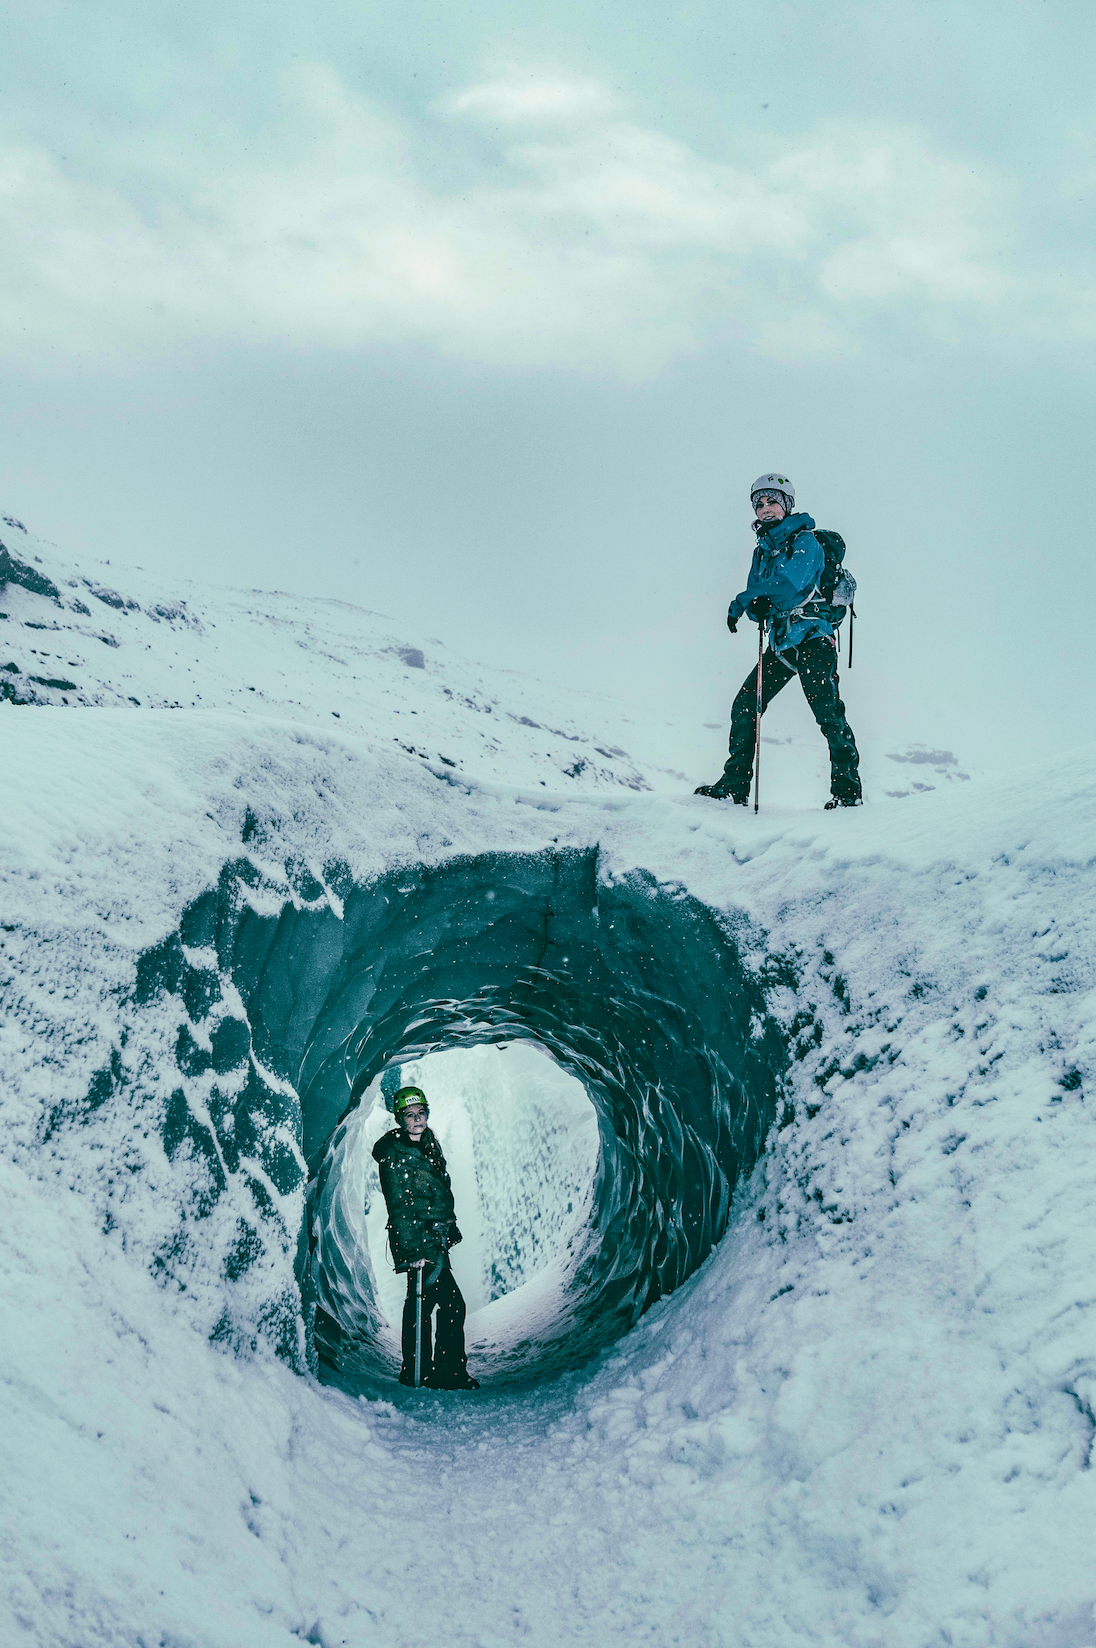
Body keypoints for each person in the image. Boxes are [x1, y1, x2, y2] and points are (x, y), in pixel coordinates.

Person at [695, 471, 862, 809]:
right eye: (760, 503)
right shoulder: (763, 552)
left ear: (787, 505)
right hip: (784, 644)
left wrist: (745, 599)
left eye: (773, 501)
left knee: (828, 713)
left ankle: (847, 793)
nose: (766, 508)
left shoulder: (806, 541)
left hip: (814, 637)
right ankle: (734, 787)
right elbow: (761, 606)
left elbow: (790, 583)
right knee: (745, 706)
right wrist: (754, 604)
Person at [372, 1085, 480, 1390]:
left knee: (423, 1304)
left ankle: (422, 1372)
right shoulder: (395, 1155)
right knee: (447, 1304)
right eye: (410, 1115)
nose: (417, 1119)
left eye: (421, 1113)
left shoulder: (429, 1144)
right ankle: (443, 1373)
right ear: (399, 1119)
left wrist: (449, 1224)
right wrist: (411, 1250)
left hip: (435, 1239)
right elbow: (399, 1205)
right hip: (420, 1243)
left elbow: (439, 1191)